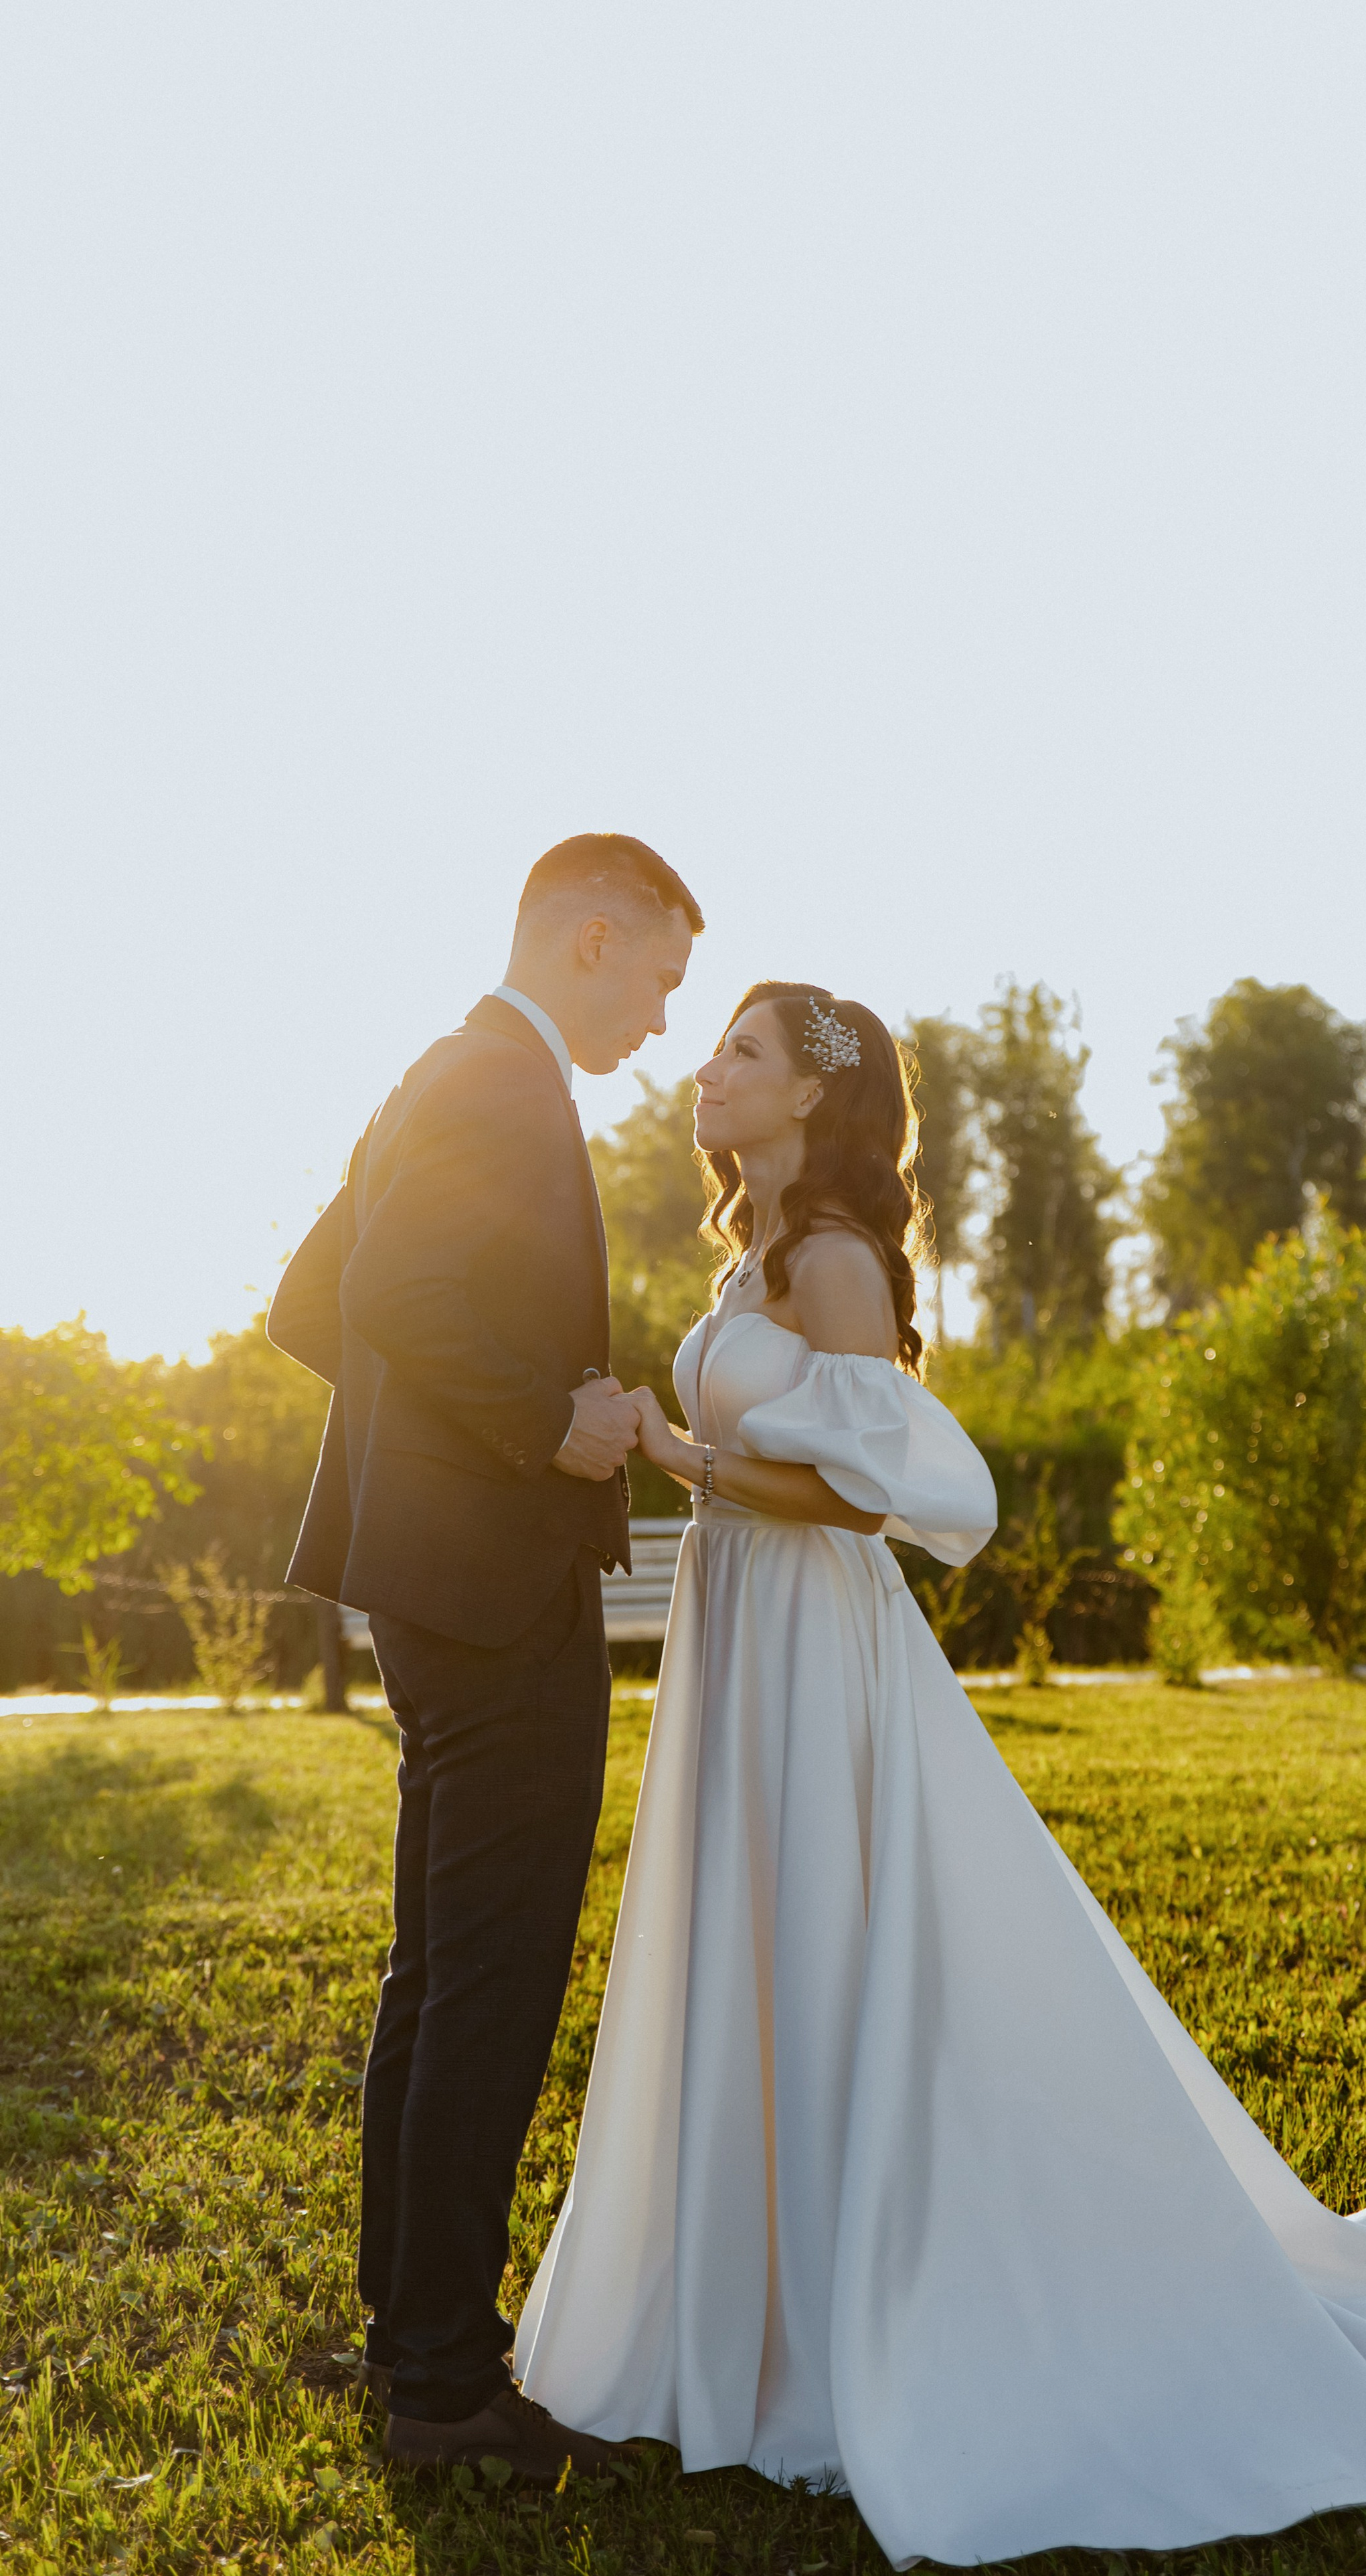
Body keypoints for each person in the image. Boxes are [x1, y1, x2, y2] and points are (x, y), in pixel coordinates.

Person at [515, 980, 1366, 2569]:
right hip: (738, 1624)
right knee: (748, 1938)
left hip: (811, 1635)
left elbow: (863, 1495)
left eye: (741, 1050)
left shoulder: (831, 1260)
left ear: (810, 1095)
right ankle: (744, 2315)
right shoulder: (752, 1251)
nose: (706, 1069)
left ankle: (845, 2320)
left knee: (824, 1937)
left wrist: (677, 1457)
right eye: (717, 1046)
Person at [267, 831, 702, 2485]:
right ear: (591, 937)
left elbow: (314, 1302)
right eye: (658, 978)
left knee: (438, 1967)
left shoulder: (440, 1070)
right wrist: (540, 1421)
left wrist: (428, 1450)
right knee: (492, 1978)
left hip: (432, 1588)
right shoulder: (500, 1081)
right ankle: (448, 2385)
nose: (660, 1020)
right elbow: (385, 1288)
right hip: (497, 1593)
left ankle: (414, 2338)